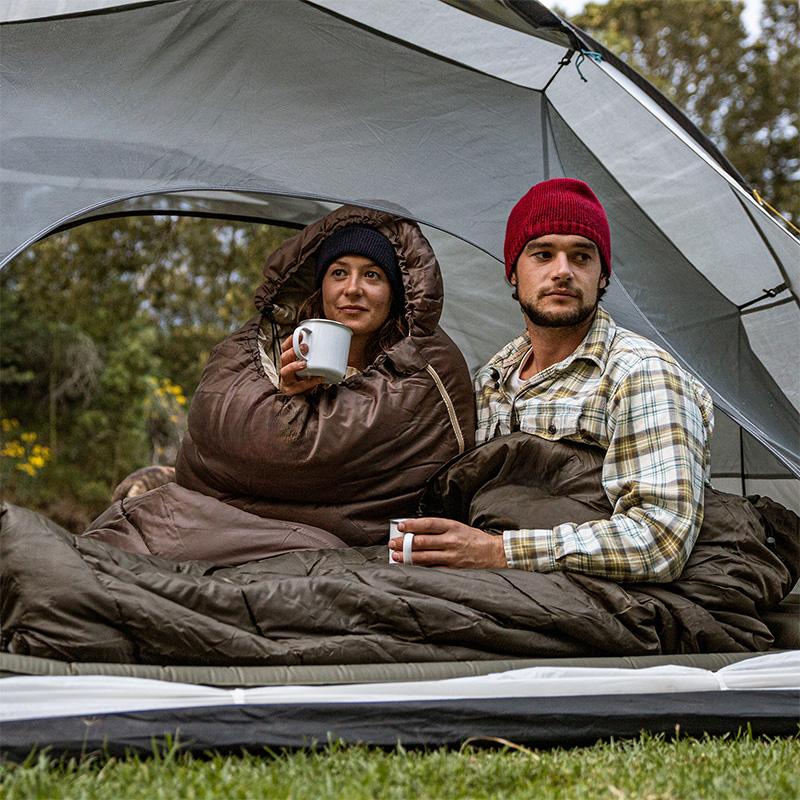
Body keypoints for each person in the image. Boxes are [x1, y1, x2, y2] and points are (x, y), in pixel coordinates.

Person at [91, 205, 476, 558]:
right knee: (139, 506)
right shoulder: (278, 353)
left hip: (328, 542)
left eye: (372, 275)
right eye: (338, 272)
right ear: (321, 286)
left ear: (394, 293)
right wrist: (287, 395)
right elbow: (225, 431)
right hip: (229, 521)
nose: (352, 288)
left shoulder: (415, 371)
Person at [393, 178, 714, 582]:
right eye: (542, 254)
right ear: (513, 272)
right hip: (492, 585)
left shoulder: (641, 372)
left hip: (599, 599)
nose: (562, 272)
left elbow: (660, 541)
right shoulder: (491, 379)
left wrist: (497, 550)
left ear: (601, 276)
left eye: (581, 257)